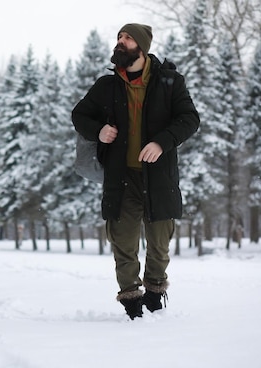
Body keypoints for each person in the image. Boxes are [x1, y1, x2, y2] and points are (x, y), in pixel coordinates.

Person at [71, 23, 200, 319]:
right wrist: (99, 129)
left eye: (127, 38)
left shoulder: (170, 81)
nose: (121, 41)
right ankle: (131, 305)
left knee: (159, 245)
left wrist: (161, 142)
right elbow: (79, 115)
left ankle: (155, 294)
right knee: (123, 243)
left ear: (142, 47)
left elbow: (190, 118)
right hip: (121, 178)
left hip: (159, 178)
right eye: (119, 37)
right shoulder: (107, 86)